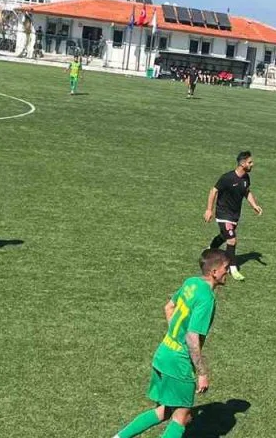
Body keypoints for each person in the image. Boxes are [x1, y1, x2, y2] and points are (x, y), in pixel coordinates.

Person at [110, 249, 231, 438]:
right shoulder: (207, 298)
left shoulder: (191, 282)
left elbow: (169, 307)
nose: (228, 271)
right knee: (181, 417)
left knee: (164, 411)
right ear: (214, 272)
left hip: (164, 351)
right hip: (179, 362)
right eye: (225, 268)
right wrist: (202, 373)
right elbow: (192, 337)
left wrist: (175, 335)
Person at [205, 151, 263, 281]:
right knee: (232, 240)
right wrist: (209, 210)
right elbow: (213, 191)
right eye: (250, 162)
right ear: (242, 164)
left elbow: (246, 192)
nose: (252, 164)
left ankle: (209, 250)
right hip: (223, 213)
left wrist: (254, 205)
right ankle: (233, 268)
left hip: (234, 215)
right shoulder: (227, 178)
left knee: (223, 236)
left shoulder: (246, 178)